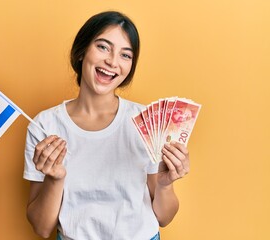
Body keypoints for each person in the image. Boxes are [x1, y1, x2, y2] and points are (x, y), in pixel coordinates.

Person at [24, 11, 190, 240]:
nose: (112, 62)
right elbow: (42, 228)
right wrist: (55, 178)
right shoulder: (44, 125)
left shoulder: (146, 121)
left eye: (125, 55)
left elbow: (164, 217)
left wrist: (164, 185)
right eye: (103, 47)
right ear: (81, 51)